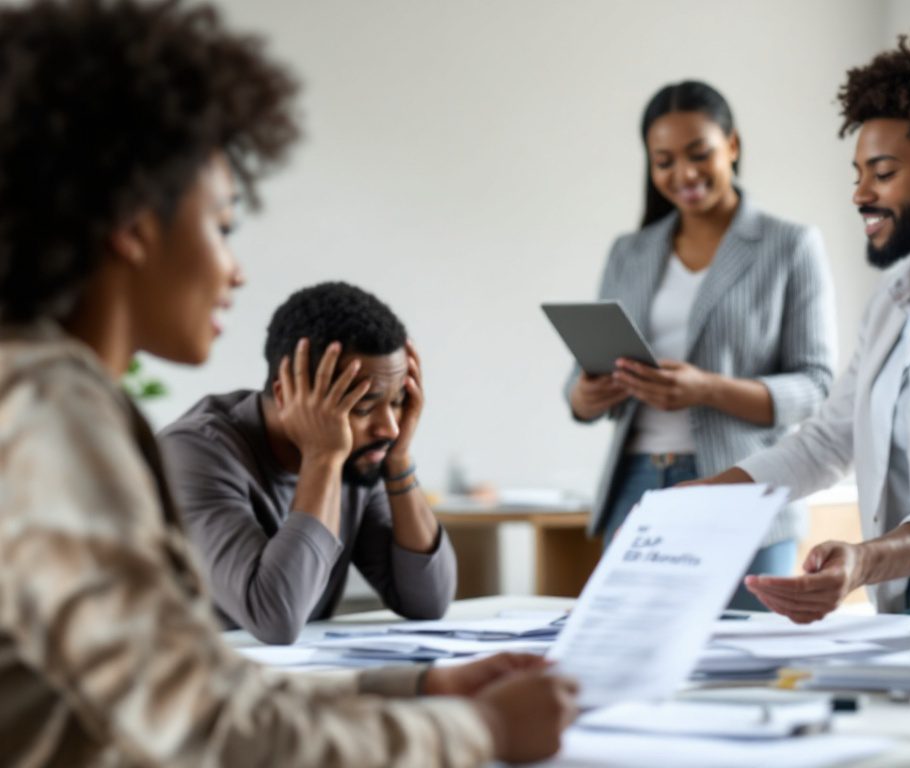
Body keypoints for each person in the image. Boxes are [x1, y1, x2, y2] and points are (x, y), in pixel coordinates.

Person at [0, 1, 576, 765]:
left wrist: (420, 692)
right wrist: (482, 734)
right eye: (223, 224)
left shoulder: (43, 390)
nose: (235, 268)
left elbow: (188, 690)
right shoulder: (55, 410)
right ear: (135, 225)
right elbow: (206, 728)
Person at [700, 28, 910, 622]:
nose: (859, 194)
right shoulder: (895, 296)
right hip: (902, 600)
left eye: (882, 173)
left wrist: (863, 562)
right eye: (858, 172)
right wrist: (699, 500)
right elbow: (829, 441)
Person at [565, 80, 837, 609]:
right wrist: (585, 396)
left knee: (740, 661)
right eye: (663, 161)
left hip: (743, 483)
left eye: (699, 154)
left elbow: (817, 386)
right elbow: (579, 378)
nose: (683, 175)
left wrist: (707, 389)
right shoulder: (630, 251)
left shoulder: (790, 245)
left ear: (732, 145)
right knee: (628, 658)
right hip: (637, 484)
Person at [160, 281, 457, 644]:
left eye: (397, 402)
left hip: (292, 681)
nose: (389, 427)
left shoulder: (359, 457)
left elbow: (428, 601)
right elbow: (275, 618)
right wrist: (323, 457)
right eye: (362, 407)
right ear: (288, 395)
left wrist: (398, 459)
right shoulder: (193, 454)